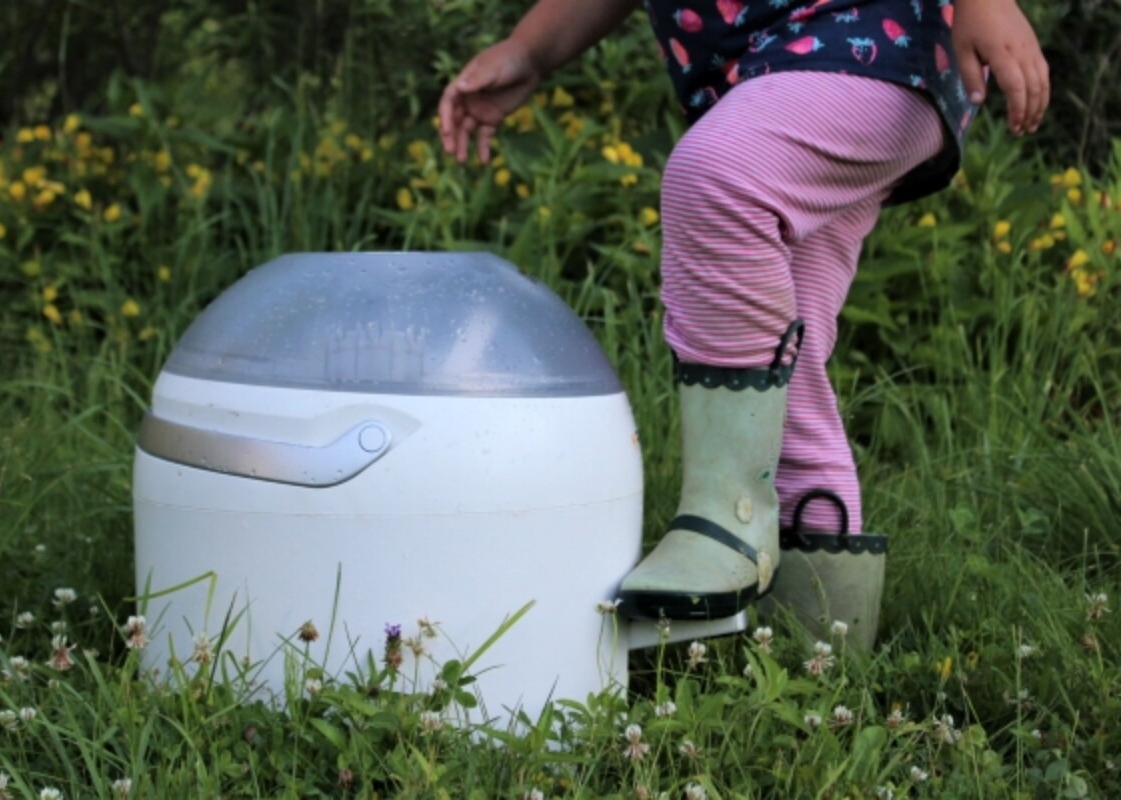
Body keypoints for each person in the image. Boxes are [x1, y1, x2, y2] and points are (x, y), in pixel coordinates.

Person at [439, 0, 1048, 648]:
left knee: (718, 177)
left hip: (874, 40)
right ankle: (817, 660)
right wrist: (530, 47)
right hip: (765, 70)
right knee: (787, 354)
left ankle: (729, 516)